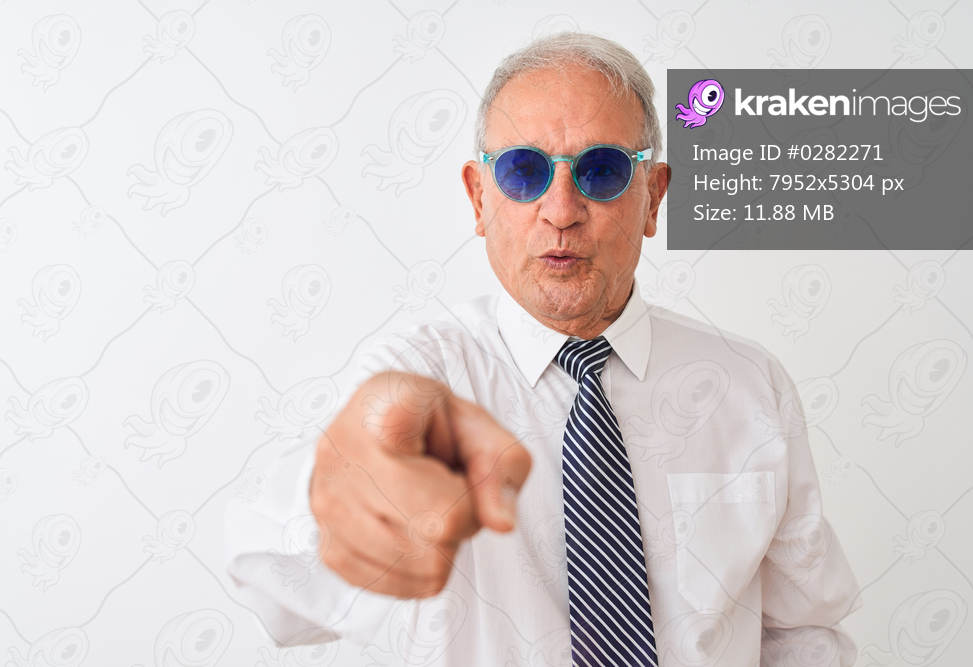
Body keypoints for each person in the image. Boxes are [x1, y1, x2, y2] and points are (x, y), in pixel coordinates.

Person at [225, 32, 861, 667]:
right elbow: (285, 597)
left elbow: (799, 633)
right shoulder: (415, 379)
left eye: (603, 171)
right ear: (480, 198)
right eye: (524, 171)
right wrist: (345, 505)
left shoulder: (749, 385)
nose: (561, 211)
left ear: (653, 197)